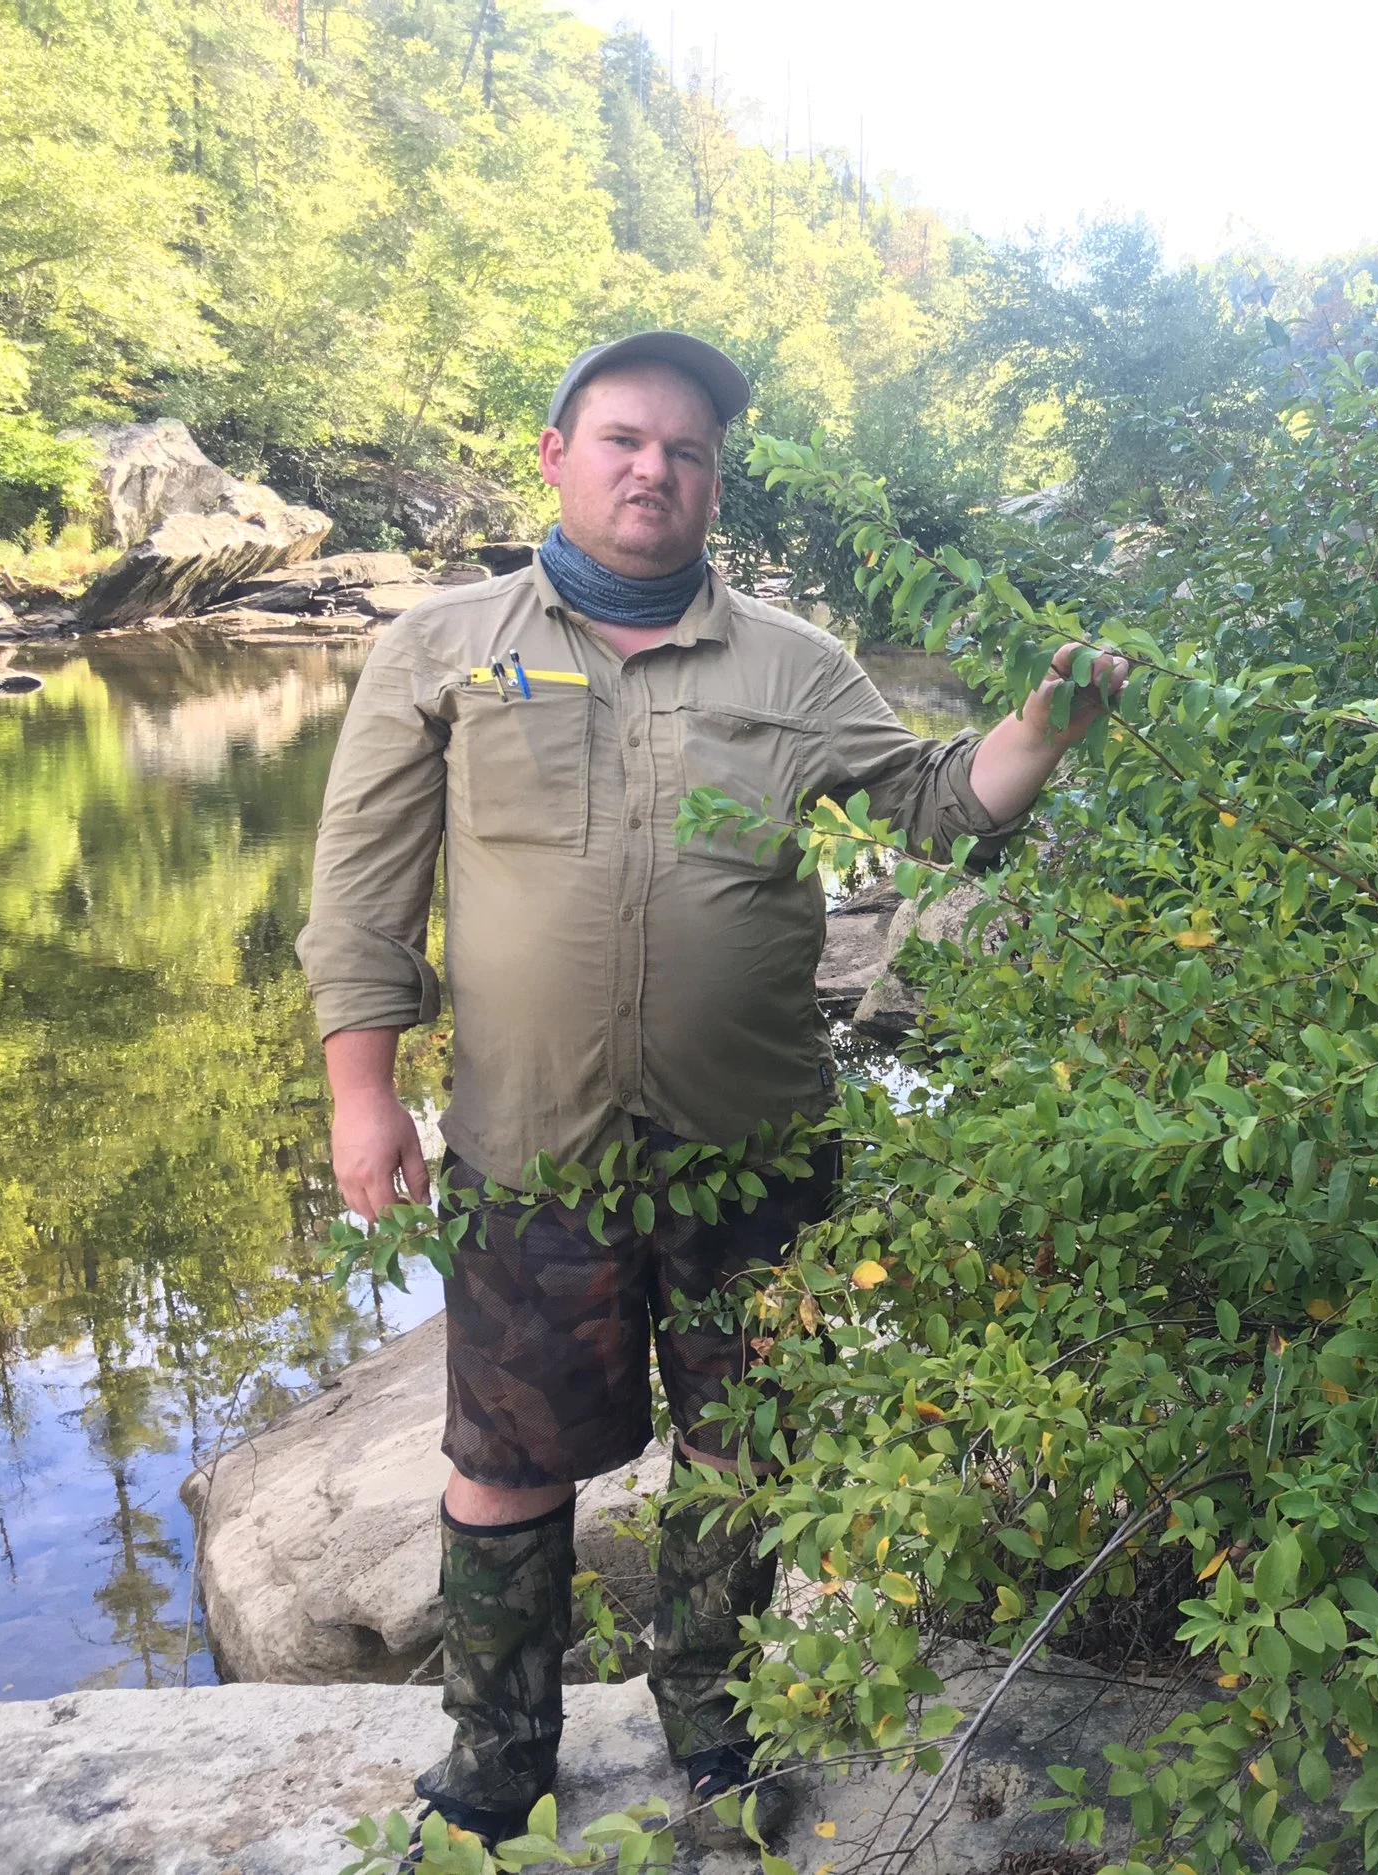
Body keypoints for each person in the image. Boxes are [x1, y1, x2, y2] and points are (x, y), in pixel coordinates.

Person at [299, 330, 1124, 1853]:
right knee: (506, 1456)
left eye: (683, 450)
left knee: (746, 1456)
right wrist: (363, 1095)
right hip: (532, 1154)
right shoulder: (444, 647)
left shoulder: (796, 665)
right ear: (555, 455)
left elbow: (935, 810)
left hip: (759, 1161)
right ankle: (497, 1757)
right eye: (621, 438)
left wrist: (1042, 733)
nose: (651, 469)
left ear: (714, 481)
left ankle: (715, 1722)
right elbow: (361, 894)